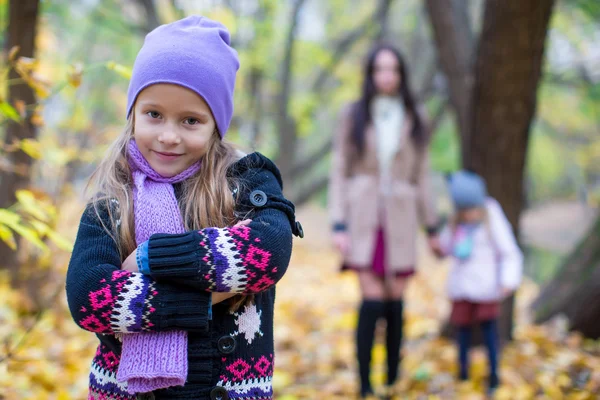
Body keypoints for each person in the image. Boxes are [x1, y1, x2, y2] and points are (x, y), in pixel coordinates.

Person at [65, 16, 303, 400]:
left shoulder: (244, 182)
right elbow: (88, 297)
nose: (169, 135)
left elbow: (268, 253)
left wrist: (148, 258)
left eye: (191, 120)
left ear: (215, 125)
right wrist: (201, 300)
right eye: (154, 114)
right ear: (133, 112)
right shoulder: (113, 198)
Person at [329, 43, 441, 398]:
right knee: (371, 298)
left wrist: (433, 225)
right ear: (370, 74)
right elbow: (339, 170)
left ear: (402, 74)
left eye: (393, 69)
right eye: (379, 69)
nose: (386, 76)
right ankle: (364, 383)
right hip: (362, 213)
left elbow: (423, 175)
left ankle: (392, 379)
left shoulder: (416, 116)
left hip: (403, 217)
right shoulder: (353, 114)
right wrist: (338, 223)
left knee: (396, 299)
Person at [437, 170, 523, 395]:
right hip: (462, 288)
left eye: (472, 210)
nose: (469, 215)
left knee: (489, 333)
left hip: (486, 287)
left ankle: (493, 374)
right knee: (462, 332)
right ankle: (462, 373)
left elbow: (509, 252)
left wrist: (507, 280)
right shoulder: (455, 224)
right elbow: (446, 247)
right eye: (464, 211)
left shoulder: (491, 217)